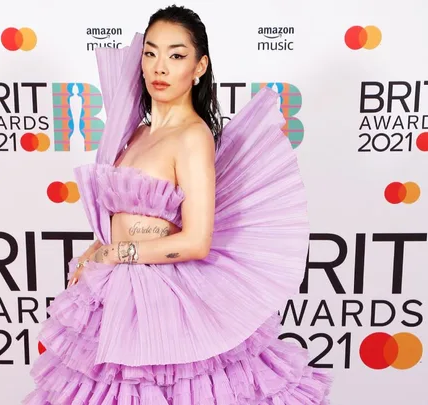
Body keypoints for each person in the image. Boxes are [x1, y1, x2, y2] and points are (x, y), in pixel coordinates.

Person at [23, 5, 332, 404]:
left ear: (199, 66)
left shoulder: (192, 136)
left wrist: (120, 252)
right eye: (150, 53)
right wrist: (95, 251)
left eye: (176, 55)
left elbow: (196, 241)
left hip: (162, 295)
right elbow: (121, 216)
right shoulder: (135, 132)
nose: (160, 68)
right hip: (116, 289)